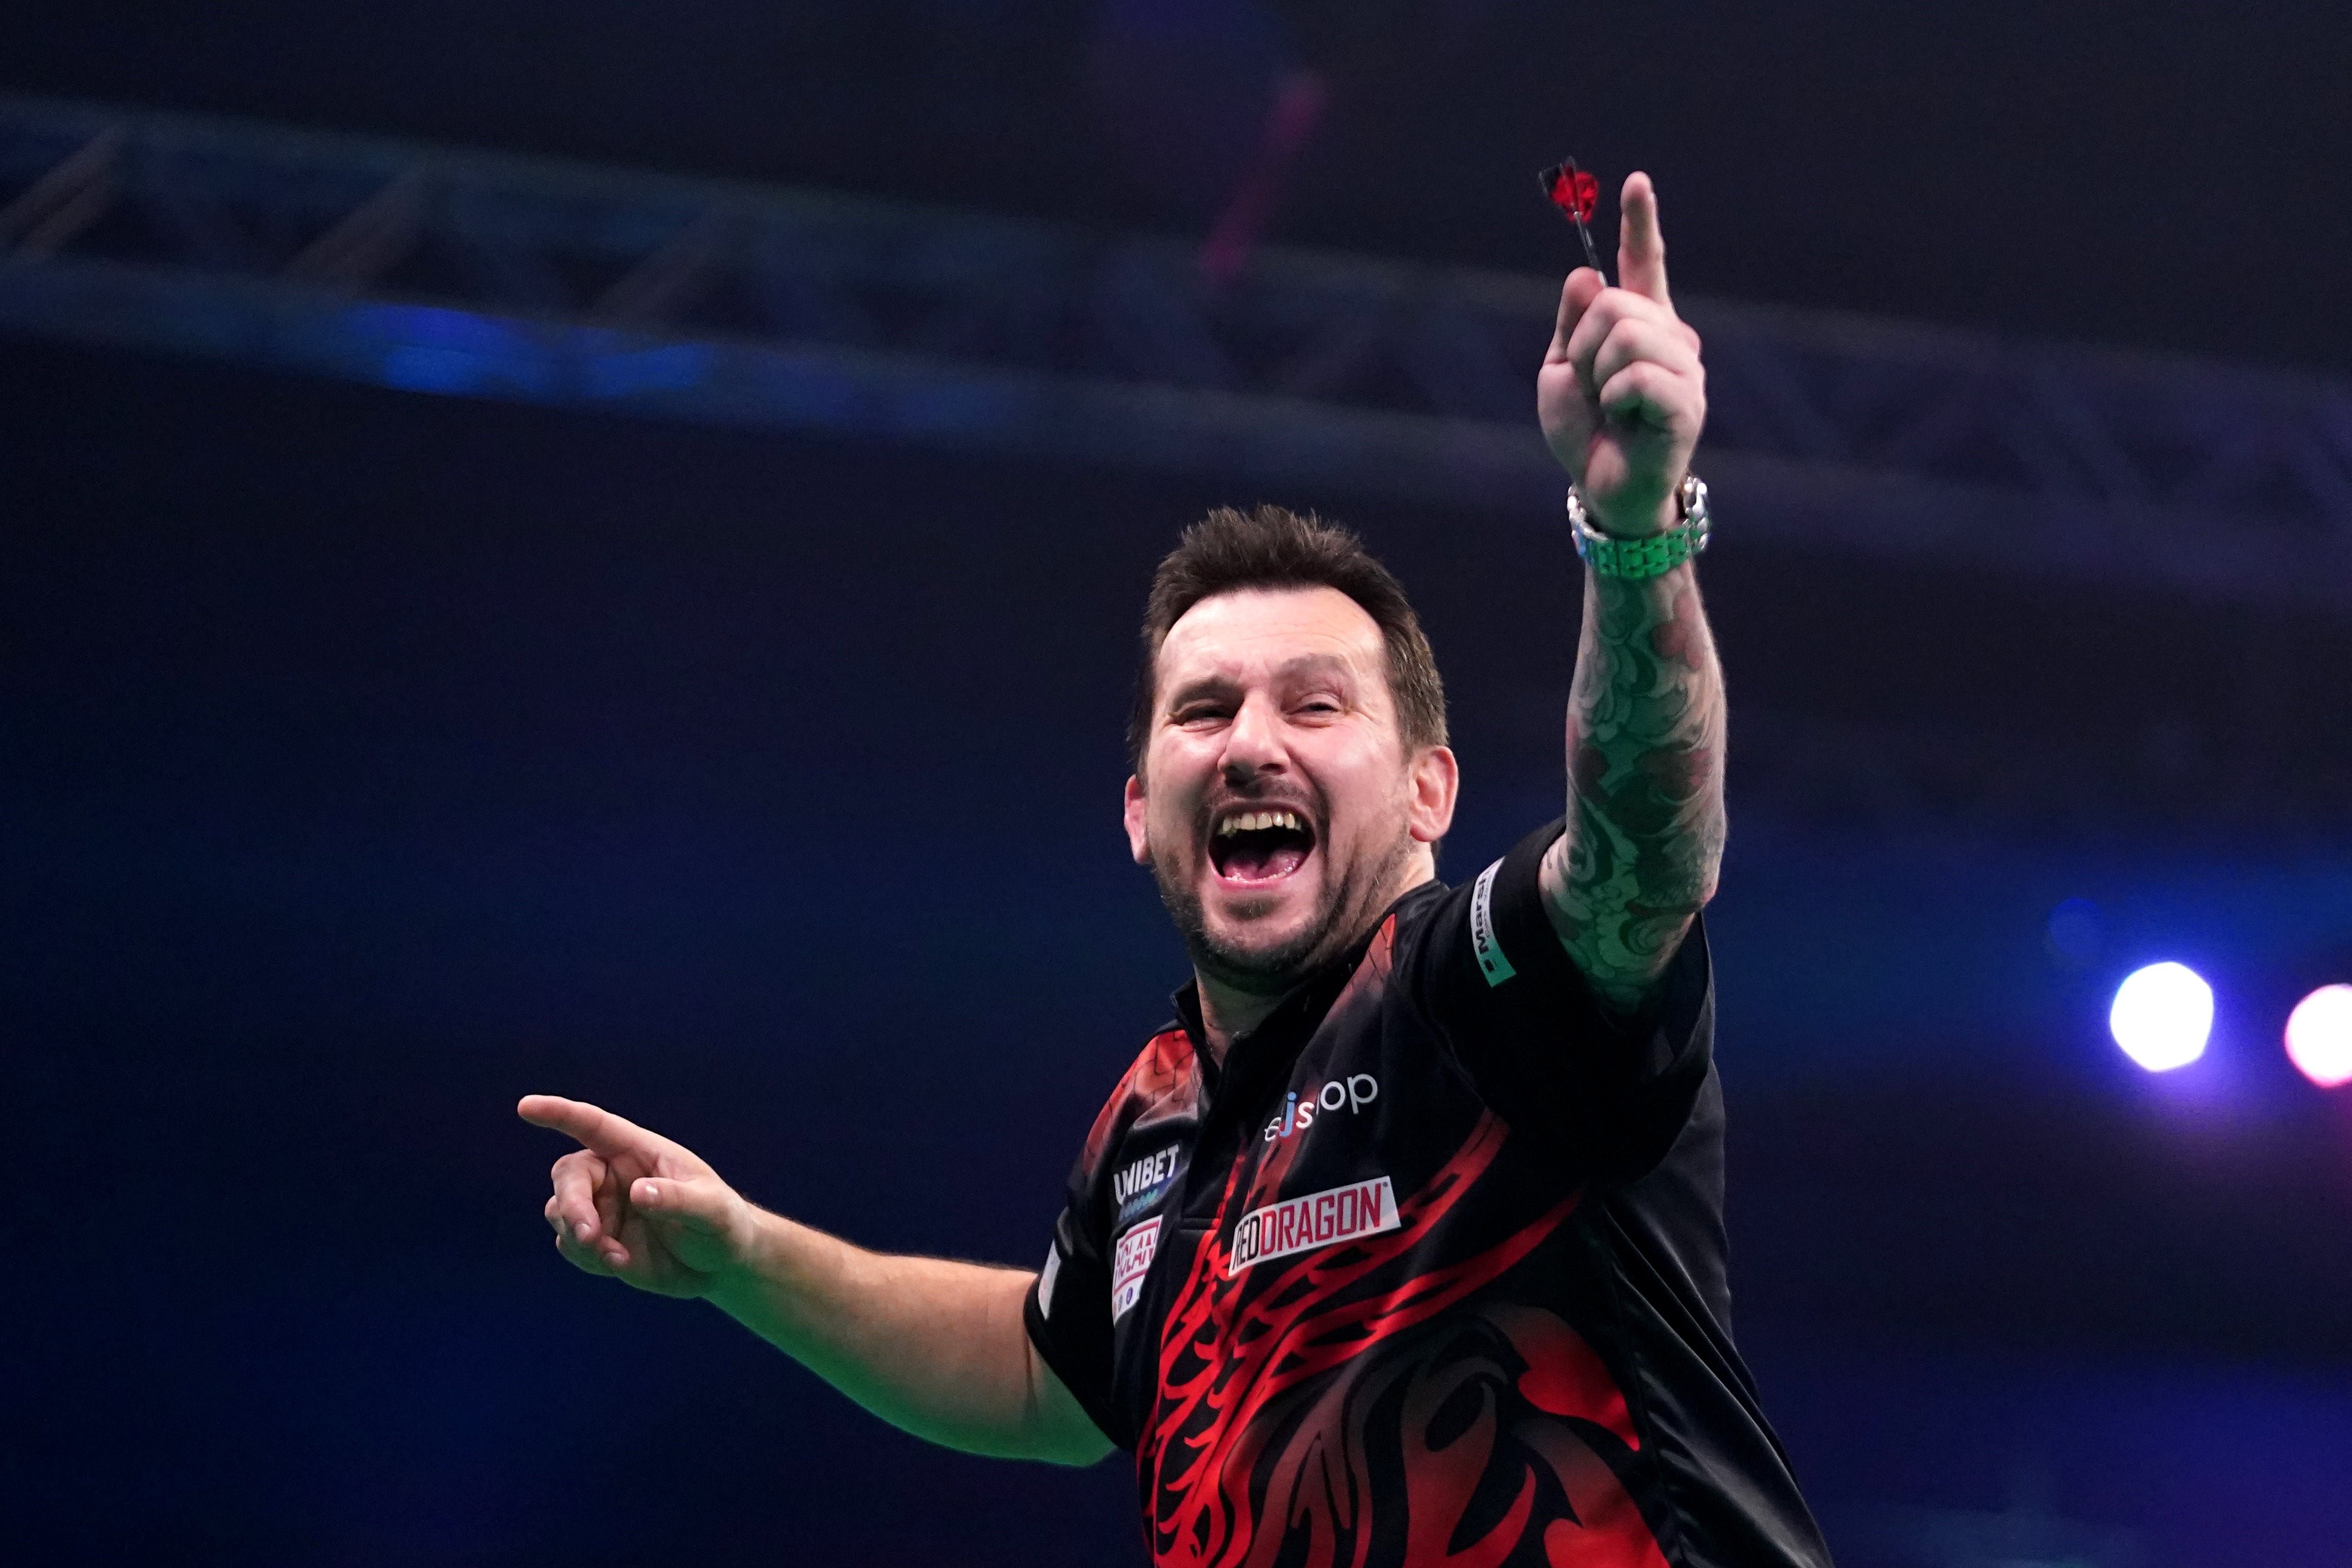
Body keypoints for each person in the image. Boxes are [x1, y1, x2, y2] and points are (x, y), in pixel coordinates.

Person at [521, 172, 1833, 1568]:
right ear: (1142, 810)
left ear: (1431, 793)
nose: (1253, 743)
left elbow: (1646, 854)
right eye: (1206, 712)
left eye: (1317, 707)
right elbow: (1046, 1381)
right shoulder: (1148, 1125)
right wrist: (741, 1257)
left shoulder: (1489, 994)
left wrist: (1635, 537)